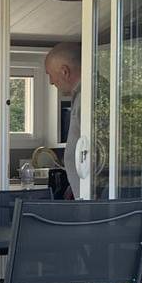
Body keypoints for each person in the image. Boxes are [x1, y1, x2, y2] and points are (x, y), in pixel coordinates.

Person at [44, 42, 82, 198]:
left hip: (96, 198)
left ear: (65, 71)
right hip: (82, 192)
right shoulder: (80, 95)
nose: (51, 82)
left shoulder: (91, 96)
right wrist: (73, 185)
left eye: (50, 75)